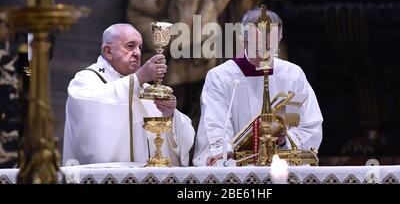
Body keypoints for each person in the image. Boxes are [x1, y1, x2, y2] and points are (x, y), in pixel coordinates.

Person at [193, 9, 323, 166]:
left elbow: (309, 125)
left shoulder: (292, 75)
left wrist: (285, 140)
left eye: (271, 45)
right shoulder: (221, 77)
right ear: (244, 41)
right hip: (240, 170)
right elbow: (215, 126)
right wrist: (227, 151)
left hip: (282, 167)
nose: (266, 51)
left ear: (280, 39)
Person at [62, 24, 195, 166]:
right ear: (108, 51)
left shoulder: (146, 89)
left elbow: (186, 137)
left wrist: (170, 114)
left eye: (140, 47)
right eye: (130, 46)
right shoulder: (85, 81)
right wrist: (138, 78)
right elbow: (93, 108)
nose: (137, 53)